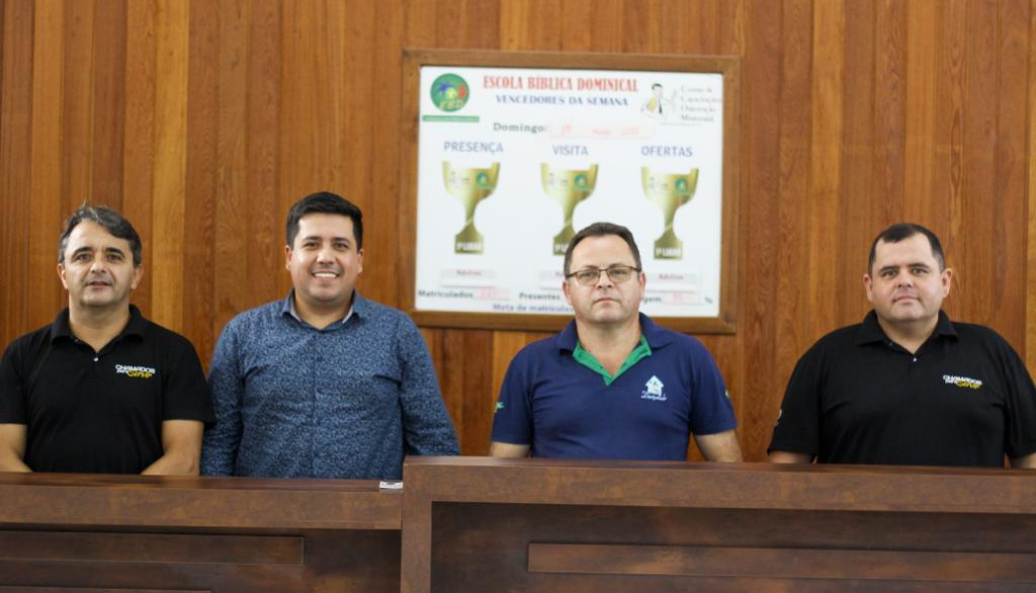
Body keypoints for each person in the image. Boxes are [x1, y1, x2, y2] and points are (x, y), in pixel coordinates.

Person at [201, 191, 459, 479]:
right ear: (289, 256)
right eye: (311, 244)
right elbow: (218, 443)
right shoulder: (243, 333)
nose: (325, 257)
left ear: (358, 260)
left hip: (373, 509)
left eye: (340, 245)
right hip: (264, 508)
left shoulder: (397, 332)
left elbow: (433, 440)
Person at [769, 223, 1036, 468]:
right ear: (869, 287)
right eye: (889, 273)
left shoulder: (991, 352)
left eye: (918, 270)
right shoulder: (825, 358)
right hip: (855, 510)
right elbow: (786, 471)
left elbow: (1031, 458)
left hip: (974, 510)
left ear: (945, 282)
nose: (904, 281)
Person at [490, 222, 742, 462]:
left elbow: (728, 468)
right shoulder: (530, 364)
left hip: (661, 497)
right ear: (568, 291)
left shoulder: (689, 357)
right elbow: (501, 474)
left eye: (618, 272)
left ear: (641, 284)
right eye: (588, 274)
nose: (604, 282)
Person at [0, 205, 213, 474]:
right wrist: (51, 501)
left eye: (113, 256)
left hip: (143, 505)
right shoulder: (21, 356)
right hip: (41, 505)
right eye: (83, 256)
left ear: (136, 274)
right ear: (63, 274)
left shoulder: (175, 353)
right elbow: (3, 457)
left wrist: (119, 501)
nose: (98, 267)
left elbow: (184, 461)